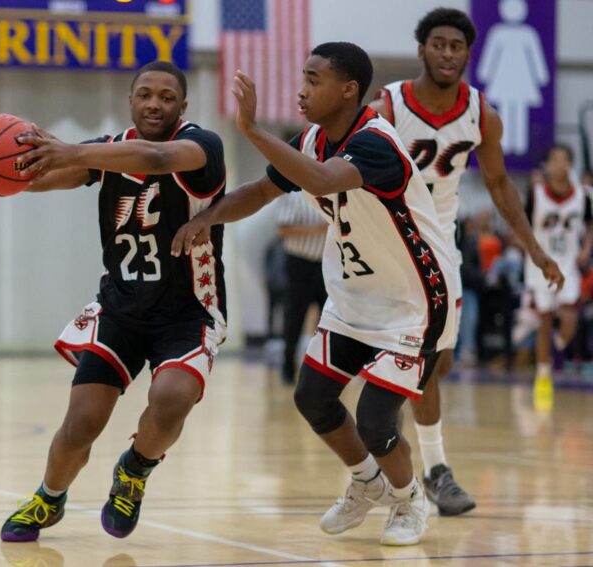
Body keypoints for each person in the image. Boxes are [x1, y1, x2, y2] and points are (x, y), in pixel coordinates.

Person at [173, 42, 458, 546]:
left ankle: (410, 502)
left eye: (313, 79)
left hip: (413, 303)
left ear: (348, 90)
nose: (301, 89)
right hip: (354, 298)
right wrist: (207, 218)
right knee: (312, 396)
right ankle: (368, 483)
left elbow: (325, 180)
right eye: (302, 77)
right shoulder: (311, 141)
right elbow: (262, 191)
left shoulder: (376, 143)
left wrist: (253, 130)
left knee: (375, 419)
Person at [0, 61, 228, 542]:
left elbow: (157, 159)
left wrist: (72, 149)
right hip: (120, 307)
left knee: (171, 400)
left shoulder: (202, 147)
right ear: (130, 100)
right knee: (81, 422)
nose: (154, 104)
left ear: (183, 107)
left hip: (187, 311)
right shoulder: (107, 152)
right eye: (144, 94)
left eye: (167, 97)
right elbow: (41, 177)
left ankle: (135, 468)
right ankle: (48, 497)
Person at [370, 7, 564, 516]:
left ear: (467, 54)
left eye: (456, 46)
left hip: (440, 245)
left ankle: (396, 443)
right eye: (439, 44)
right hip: (388, 243)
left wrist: (534, 249)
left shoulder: (482, 112)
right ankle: (432, 469)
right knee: (418, 360)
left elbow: (500, 186)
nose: (447, 53)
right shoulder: (388, 104)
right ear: (422, 50)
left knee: (440, 360)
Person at [525, 144, 593, 411]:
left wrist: (586, 249)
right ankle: (543, 377)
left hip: (568, 264)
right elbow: (522, 222)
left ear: (570, 165)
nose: (558, 164)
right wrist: (529, 249)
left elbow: (589, 225)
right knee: (544, 320)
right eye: (554, 159)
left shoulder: (583, 196)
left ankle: (558, 344)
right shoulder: (536, 193)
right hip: (541, 264)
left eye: (564, 160)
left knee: (570, 318)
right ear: (548, 164)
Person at [276, 191, 328, 384]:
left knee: (329, 320)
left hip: (327, 265)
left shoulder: (334, 193)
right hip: (300, 263)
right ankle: (288, 367)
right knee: (294, 318)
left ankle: (325, 370)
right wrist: (317, 229)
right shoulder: (294, 195)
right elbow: (283, 229)